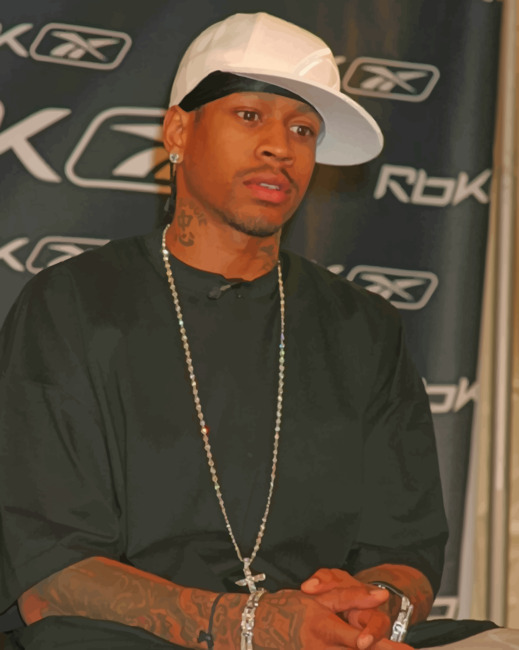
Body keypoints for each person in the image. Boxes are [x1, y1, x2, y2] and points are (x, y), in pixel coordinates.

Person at [0, 12, 448, 650]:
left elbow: (406, 550)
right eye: (249, 115)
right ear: (178, 130)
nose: (280, 147)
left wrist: (375, 609)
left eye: (302, 130)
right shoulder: (70, 306)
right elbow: (49, 577)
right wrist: (246, 626)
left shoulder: (365, 328)